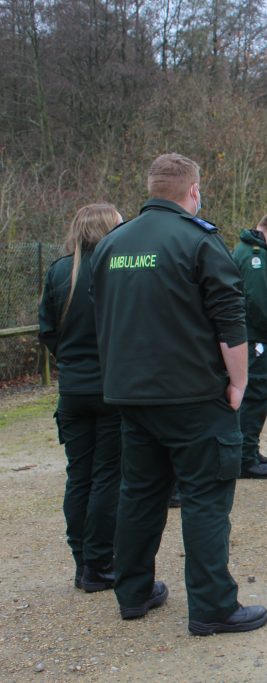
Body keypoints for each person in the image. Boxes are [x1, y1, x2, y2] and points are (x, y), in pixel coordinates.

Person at [91, 152, 267, 635]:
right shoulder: (199, 242)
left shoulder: (111, 244)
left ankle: (133, 592)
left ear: (151, 189)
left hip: (132, 395)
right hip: (193, 397)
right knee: (206, 498)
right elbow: (230, 324)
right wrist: (239, 382)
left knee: (140, 494)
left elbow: (101, 316)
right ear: (193, 191)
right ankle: (212, 606)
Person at [39, 203, 123, 592]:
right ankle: (99, 563)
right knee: (108, 477)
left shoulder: (59, 271)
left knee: (79, 476)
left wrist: (71, 361)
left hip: (72, 388)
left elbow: (47, 331)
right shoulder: (117, 269)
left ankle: (82, 561)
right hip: (111, 387)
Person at [232, 212, 267, 478]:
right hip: (257, 339)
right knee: (255, 395)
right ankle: (245, 458)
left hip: (259, 337)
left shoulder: (258, 253)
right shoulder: (255, 256)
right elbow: (257, 301)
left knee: (258, 396)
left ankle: (250, 450)